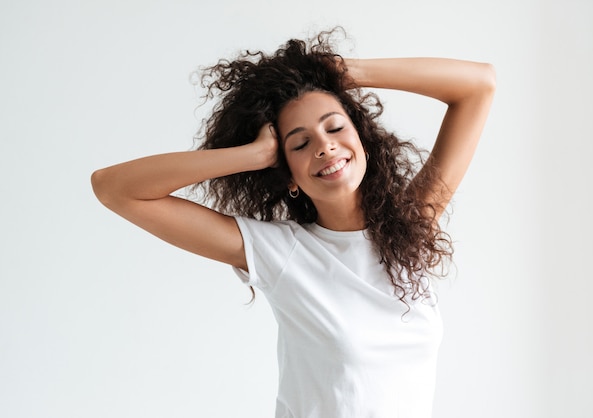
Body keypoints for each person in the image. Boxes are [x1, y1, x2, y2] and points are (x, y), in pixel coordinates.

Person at [91, 29, 495, 418]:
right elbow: (114, 189)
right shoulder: (281, 253)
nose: (325, 145)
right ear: (287, 174)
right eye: (300, 144)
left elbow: (478, 85)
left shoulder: (411, 226)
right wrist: (252, 155)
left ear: (364, 142)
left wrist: (340, 72)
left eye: (335, 127)